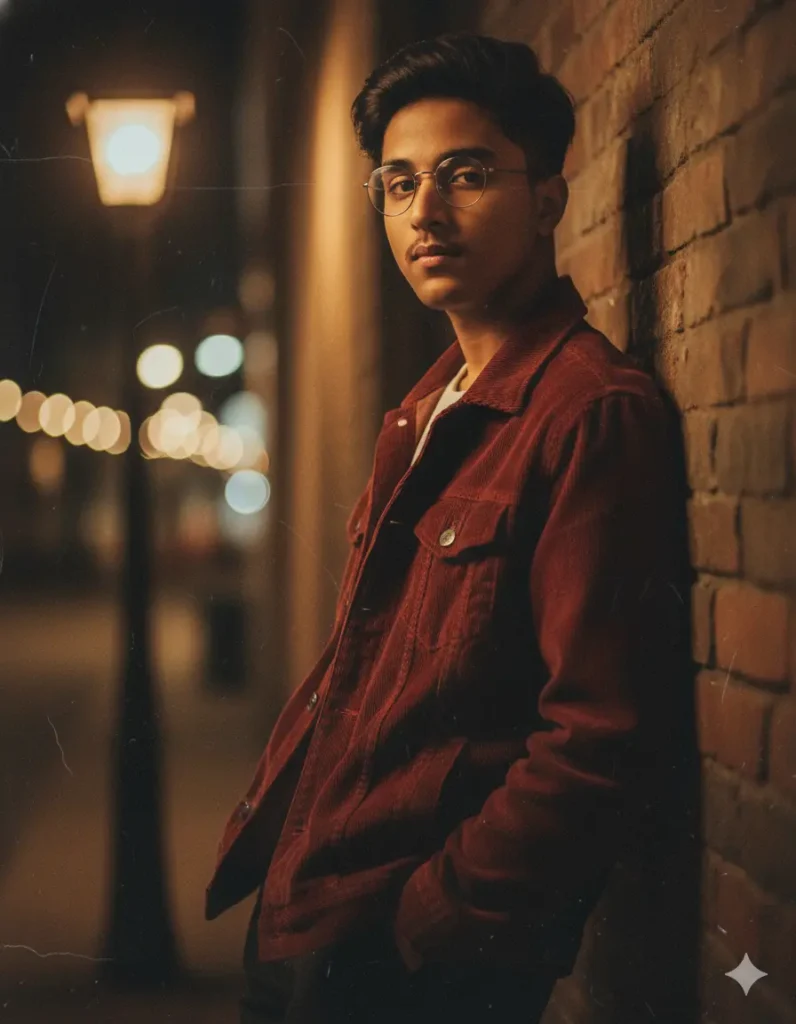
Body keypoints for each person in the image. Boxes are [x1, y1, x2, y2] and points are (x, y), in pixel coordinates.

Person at [206, 31, 687, 1024]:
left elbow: (596, 734)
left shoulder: (586, 412)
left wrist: (424, 923)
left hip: (398, 959)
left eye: (466, 174)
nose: (424, 210)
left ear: (547, 196)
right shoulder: (423, 412)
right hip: (309, 911)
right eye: (397, 181)